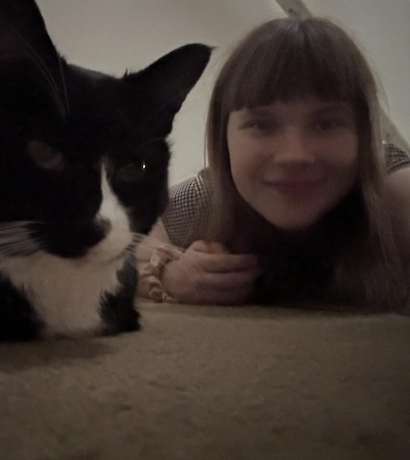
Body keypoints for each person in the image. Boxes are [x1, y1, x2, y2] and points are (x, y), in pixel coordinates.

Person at [137, 16, 410, 312]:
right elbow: (124, 251)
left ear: (364, 133)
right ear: (222, 138)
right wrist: (168, 274)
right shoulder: (203, 197)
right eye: (262, 125)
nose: (294, 155)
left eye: (326, 124)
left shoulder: (393, 191)